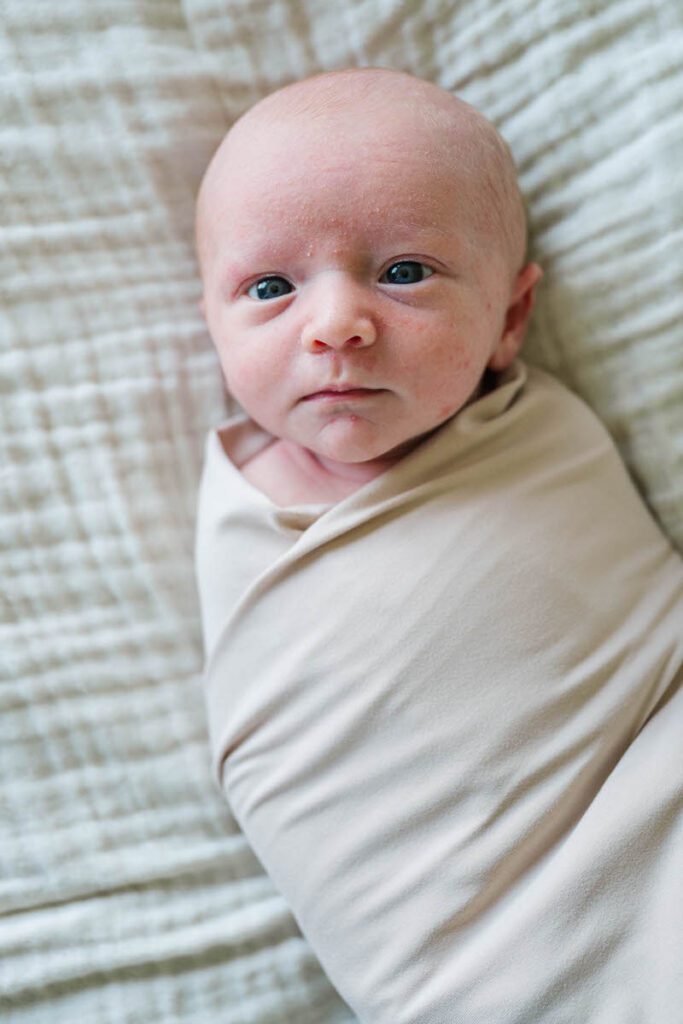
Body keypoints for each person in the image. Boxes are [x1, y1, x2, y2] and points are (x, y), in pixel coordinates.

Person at [195, 68, 683, 1023]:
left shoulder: (540, 444)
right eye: (268, 288)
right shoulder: (241, 523)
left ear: (507, 319)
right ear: (212, 325)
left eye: (403, 272)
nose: (336, 325)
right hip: (487, 964)